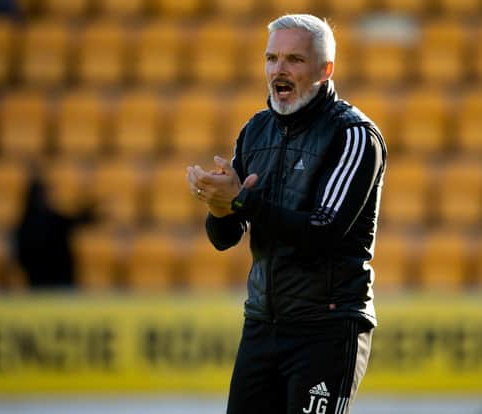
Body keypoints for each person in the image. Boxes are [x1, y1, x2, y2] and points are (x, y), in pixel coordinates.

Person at [186, 14, 386, 414]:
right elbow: (225, 238)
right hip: (262, 322)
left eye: (294, 59)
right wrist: (218, 206)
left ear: (325, 70)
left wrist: (241, 201)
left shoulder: (353, 135)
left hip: (327, 326)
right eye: (271, 58)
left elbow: (323, 232)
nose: (279, 69)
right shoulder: (255, 131)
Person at [11, 171, 95, 289]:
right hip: (56, 279)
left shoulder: (23, 222)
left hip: (40, 280)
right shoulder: (53, 219)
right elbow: (79, 220)